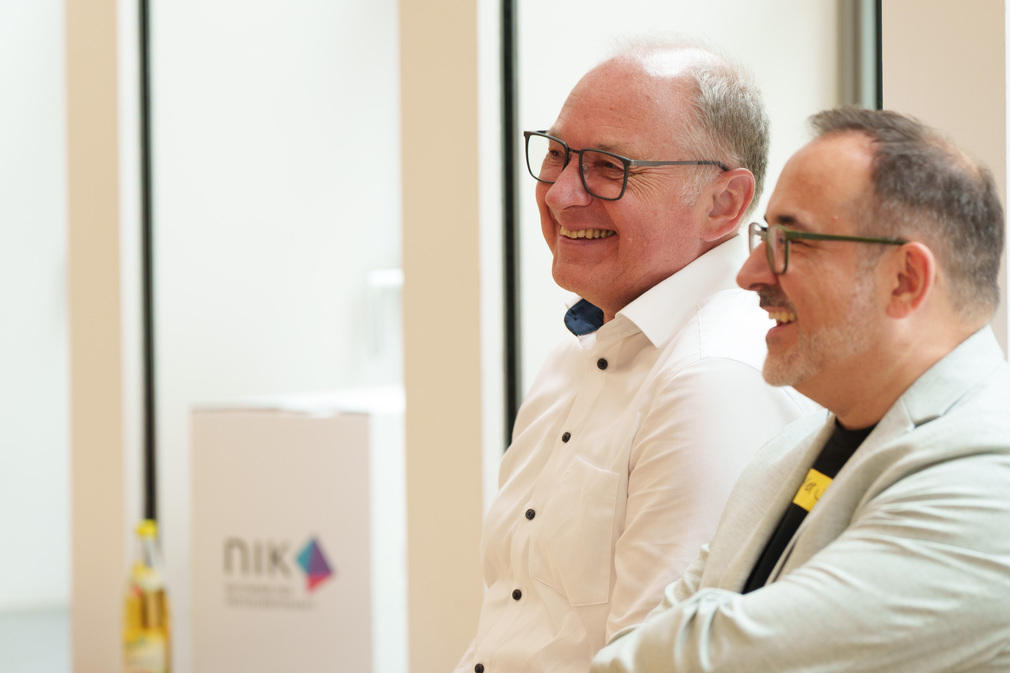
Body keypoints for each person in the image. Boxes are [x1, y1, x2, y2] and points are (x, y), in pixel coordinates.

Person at [590, 107, 1010, 673]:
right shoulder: (786, 454)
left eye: (793, 242)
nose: (749, 274)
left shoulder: (989, 475)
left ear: (904, 280)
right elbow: (650, 643)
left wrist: (696, 632)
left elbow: (722, 659)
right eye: (764, 236)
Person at [454, 38, 816, 673]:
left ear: (724, 204)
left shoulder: (711, 379)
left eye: (607, 167)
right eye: (557, 155)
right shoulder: (579, 353)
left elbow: (664, 661)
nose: (560, 194)